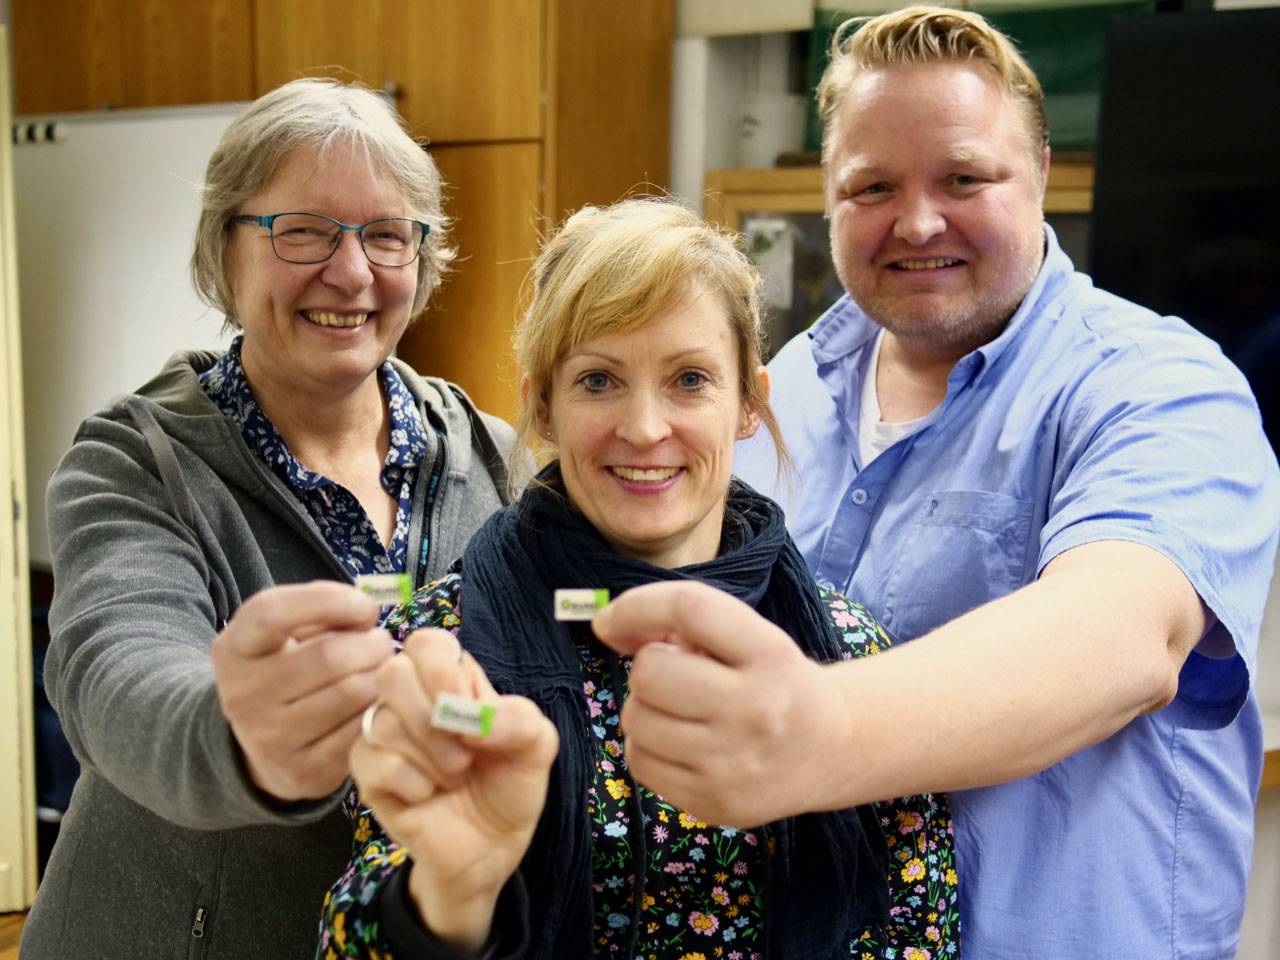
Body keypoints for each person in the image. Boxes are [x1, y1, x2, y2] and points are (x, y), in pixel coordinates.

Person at [589, 7, 1280, 959]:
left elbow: (1124, 637)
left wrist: (817, 728)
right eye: (871, 186)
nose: (917, 222)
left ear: (1038, 175)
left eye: (964, 178)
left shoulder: (1162, 387)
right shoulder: (780, 388)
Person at [316, 198, 961, 960]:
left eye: (690, 379)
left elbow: (917, 927)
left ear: (750, 403)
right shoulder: (433, 651)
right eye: (598, 381)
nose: (646, 428)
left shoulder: (851, 657)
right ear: (542, 406)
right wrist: (452, 898)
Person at [21, 79, 514, 960]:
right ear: (225, 248)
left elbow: (549, 644)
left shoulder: (493, 457)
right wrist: (241, 738)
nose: (353, 271)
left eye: (387, 235)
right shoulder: (135, 463)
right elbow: (114, 670)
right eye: (304, 231)